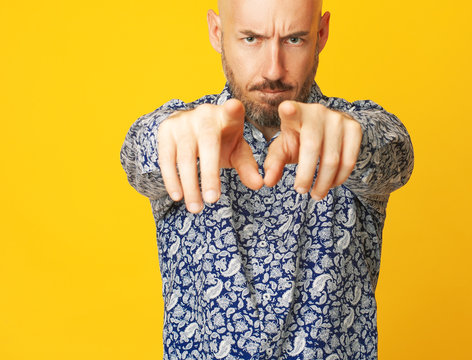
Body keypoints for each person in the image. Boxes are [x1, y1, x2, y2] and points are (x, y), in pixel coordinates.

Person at [120, 0, 414, 358]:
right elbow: (137, 158)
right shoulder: (184, 134)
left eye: (294, 40)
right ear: (217, 32)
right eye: (251, 39)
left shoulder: (357, 132)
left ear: (321, 34)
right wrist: (167, 135)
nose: (273, 69)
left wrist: (354, 140)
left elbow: (395, 155)